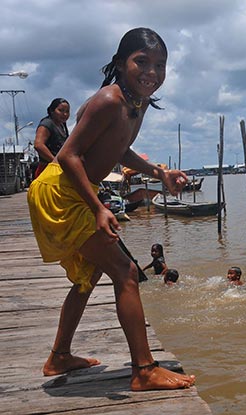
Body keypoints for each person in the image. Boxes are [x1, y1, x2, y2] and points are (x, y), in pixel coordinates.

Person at [27, 27, 194, 391]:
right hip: (60, 191)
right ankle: (144, 370)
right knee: (127, 272)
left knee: (92, 274)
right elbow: (68, 154)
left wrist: (159, 172)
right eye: (142, 62)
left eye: (160, 65)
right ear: (120, 63)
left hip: (76, 190)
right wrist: (99, 207)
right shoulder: (108, 100)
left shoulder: (139, 102)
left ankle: (58, 356)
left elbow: (119, 148)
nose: (152, 72)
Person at [33, 98, 70, 179]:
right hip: (46, 170)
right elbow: (38, 145)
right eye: (61, 110)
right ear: (52, 111)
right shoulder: (47, 123)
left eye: (67, 111)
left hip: (57, 169)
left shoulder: (62, 126)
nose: (64, 114)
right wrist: (55, 161)